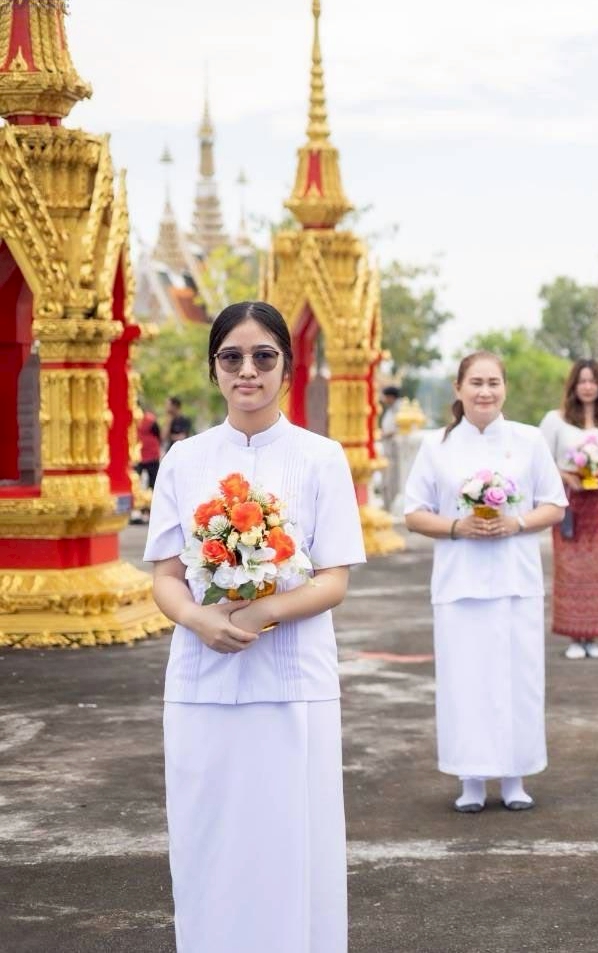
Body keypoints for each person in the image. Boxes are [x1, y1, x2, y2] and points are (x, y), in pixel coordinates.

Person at [144, 300, 365, 953]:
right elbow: (165, 575)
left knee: (293, 841)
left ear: (286, 368)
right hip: (203, 675)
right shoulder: (183, 460)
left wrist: (264, 611)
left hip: (292, 679)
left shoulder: (322, 457)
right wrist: (197, 619)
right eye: (232, 357)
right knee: (208, 838)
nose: (248, 370)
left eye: (263, 356)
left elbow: (333, 578)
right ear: (214, 368)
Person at [403, 351, 568, 812]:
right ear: (458, 389)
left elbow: (554, 505)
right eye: (475, 383)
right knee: (465, 682)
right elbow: (414, 513)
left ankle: (515, 777)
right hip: (460, 583)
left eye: (493, 382)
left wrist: (517, 522)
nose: (485, 392)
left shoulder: (529, 440)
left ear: (505, 388)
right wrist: (458, 527)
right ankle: (470, 779)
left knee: (519, 681)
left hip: (516, 579)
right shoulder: (436, 446)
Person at [539, 360, 598, 659]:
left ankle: (594, 636)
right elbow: (540, 460)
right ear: (573, 386)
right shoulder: (556, 420)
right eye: (582, 381)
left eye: (592, 381)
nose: (587, 387)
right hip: (570, 501)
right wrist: (565, 475)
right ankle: (574, 636)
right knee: (571, 567)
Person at [131, 401, 162, 524]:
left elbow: (158, 434)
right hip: (140, 455)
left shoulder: (149, 420)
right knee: (138, 484)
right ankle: (139, 511)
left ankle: (149, 512)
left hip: (149, 454)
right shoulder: (135, 420)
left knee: (151, 484)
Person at [378, 385, 402, 513]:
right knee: (386, 480)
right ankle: (387, 506)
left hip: (395, 450)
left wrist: (386, 434)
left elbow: (399, 429)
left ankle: (392, 506)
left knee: (393, 479)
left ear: (391, 397)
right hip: (387, 448)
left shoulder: (400, 409)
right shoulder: (390, 410)